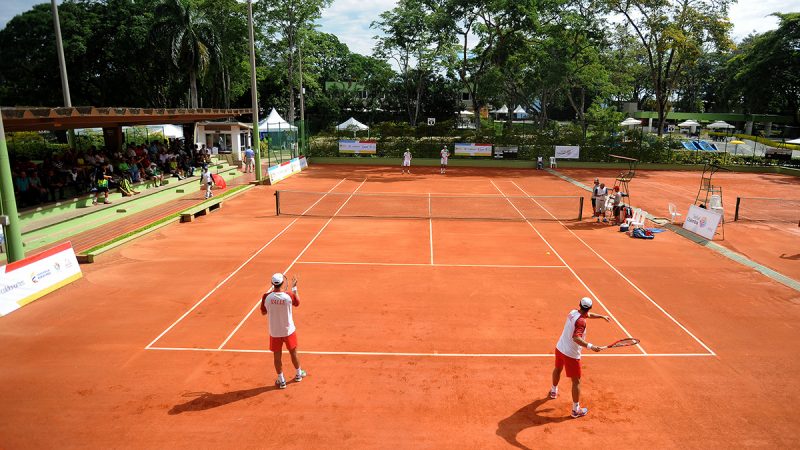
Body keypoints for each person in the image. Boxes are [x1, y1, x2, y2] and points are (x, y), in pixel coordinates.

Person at [549, 297, 610, 418]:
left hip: (560, 347)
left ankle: (553, 390)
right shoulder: (581, 322)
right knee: (576, 381)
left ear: (580, 305)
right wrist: (591, 346)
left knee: (558, 369)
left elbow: (587, 314)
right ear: (590, 307)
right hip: (571, 354)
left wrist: (601, 316)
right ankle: (576, 410)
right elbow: (576, 338)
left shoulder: (573, 312)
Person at [260, 273, 307, 389]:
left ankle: (281, 381)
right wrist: (294, 288)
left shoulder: (266, 297)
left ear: (272, 284)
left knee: (277, 356)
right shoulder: (289, 295)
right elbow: (298, 303)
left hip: (275, 332)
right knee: (293, 352)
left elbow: (263, 312)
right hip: (288, 331)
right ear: (282, 283)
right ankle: (298, 374)